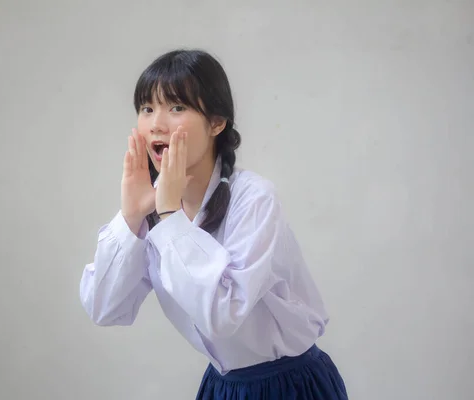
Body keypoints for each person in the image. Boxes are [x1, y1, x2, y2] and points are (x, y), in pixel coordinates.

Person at [79, 49, 348, 400]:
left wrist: (169, 218)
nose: (157, 123)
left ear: (217, 122)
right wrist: (130, 218)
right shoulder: (152, 206)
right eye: (147, 108)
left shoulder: (253, 198)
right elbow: (104, 308)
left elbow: (222, 315)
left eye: (176, 107)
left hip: (288, 385)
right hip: (222, 387)